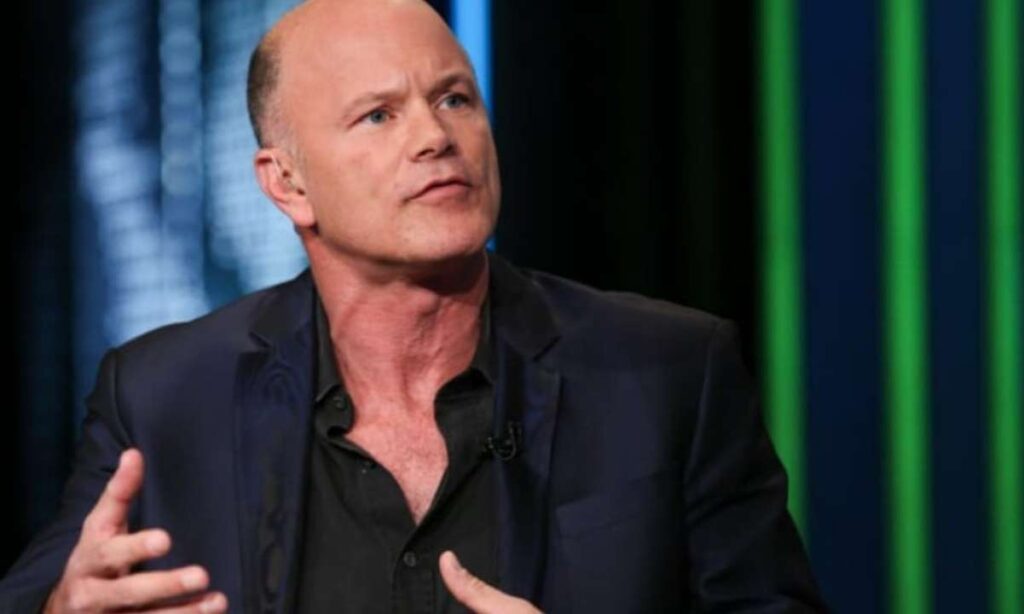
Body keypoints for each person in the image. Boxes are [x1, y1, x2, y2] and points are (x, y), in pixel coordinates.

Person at [1, 0, 826, 612]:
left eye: (455, 98)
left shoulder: (670, 372)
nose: (436, 136)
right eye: (378, 115)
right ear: (286, 183)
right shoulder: (162, 396)